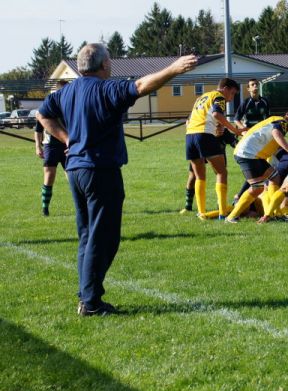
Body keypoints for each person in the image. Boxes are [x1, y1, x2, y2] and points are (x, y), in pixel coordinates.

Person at [37, 43, 198, 316]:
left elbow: (42, 114)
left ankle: (87, 295)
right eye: (109, 61)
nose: (110, 65)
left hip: (76, 170)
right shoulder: (105, 88)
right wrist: (174, 68)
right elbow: (141, 86)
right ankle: (90, 302)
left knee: (87, 235)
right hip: (100, 170)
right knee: (104, 238)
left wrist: (67, 140)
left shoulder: (67, 91)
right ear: (103, 66)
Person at [225, 109, 288, 223]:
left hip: (253, 154)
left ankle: (275, 214)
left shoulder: (277, 120)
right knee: (257, 188)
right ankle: (232, 216)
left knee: (275, 177)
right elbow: (275, 133)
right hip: (248, 154)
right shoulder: (282, 123)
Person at [186, 78, 245, 220]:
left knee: (200, 175)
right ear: (225, 88)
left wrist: (217, 126)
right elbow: (216, 114)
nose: (231, 99)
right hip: (204, 135)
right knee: (221, 172)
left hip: (190, 136)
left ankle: (201, 213)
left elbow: (188, 119)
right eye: (232, 94)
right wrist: (235, 130)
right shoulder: (219, 96)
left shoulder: (202, 97)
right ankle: (223, 213)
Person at [232, 78, 271, 204]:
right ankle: (241, 196)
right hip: (249, 140)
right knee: (256, 168)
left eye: (256, 84)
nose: (255, 86)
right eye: (252, 85)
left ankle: (243, 196)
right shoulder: (245, 102)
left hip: (262, 138)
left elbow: (269, 120)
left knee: (259, 168)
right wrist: (243, 131)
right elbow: (236, 119)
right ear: (248, 89)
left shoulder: (265, 102)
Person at [34, 80, 69, 216]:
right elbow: (38, 130)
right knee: (49, 175)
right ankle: (45, 208)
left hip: (68, 145)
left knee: (72, 176)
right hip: (51, 146)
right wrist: (38, 146)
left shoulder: (71, 106)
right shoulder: (46, 107)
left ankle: (82, 207)